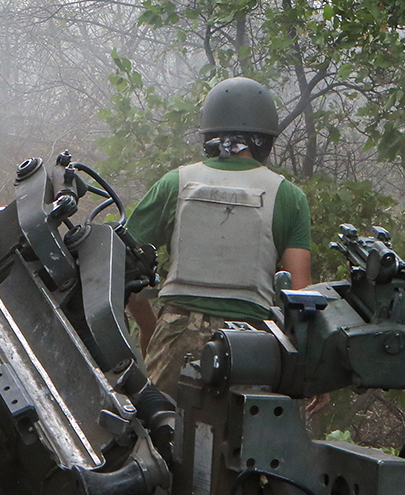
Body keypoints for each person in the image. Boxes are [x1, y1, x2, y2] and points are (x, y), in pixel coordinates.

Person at [122, 76, 311, 389]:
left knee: (156, 431)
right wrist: (307, 370)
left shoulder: (175, 184)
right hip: (251, 347)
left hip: (175, 336)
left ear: (209, 132)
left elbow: (124, 268)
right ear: (265, 138)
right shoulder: (288, 197)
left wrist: (147, 327)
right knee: (245, 436)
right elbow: (301, 299)